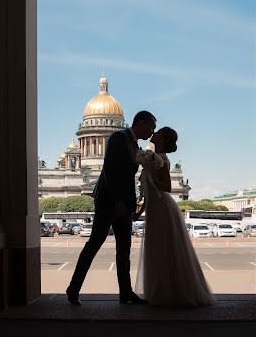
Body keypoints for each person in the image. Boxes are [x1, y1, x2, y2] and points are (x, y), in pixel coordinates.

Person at [66, 110, 156, 305]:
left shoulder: (133, 144)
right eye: (151, 126)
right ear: (140, 123)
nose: (152, 131)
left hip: (123, 202)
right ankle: (73, 289)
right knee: (94, 245)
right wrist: (119, 202)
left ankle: (126, 293)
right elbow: (110, 170)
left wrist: (132, 204)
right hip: (110, 202)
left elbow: (127, 177)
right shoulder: (118, 137)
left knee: (124, 250)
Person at [135, 127, 214, 307]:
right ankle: (162, 291)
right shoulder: (152, 158)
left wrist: (151, 176)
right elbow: (148, 195)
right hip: (155, 207)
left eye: (158, 132)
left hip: (162, 207)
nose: (153, 134)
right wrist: (138, 213)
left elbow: (167, 187)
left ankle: (170, 292)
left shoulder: (160, 159)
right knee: (158, 250)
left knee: (164, 249)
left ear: (162, 140)